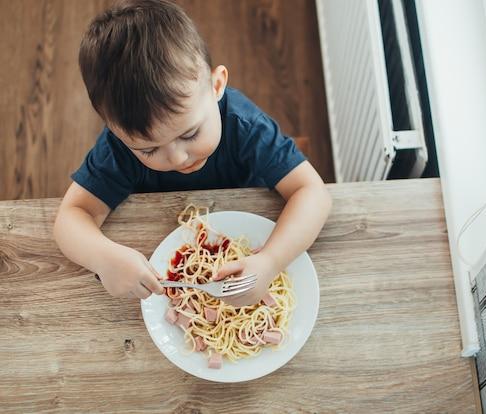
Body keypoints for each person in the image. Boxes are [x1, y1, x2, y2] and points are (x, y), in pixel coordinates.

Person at [54, 0, 331, 307]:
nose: (176, 159)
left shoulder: (245, 126)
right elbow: (71, 217)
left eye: (189, 134)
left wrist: (270, 261)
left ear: (216, 85)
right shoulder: (118, 148)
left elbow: (312, 192)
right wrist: (103, 258)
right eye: (148, 149)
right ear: (115, 130)